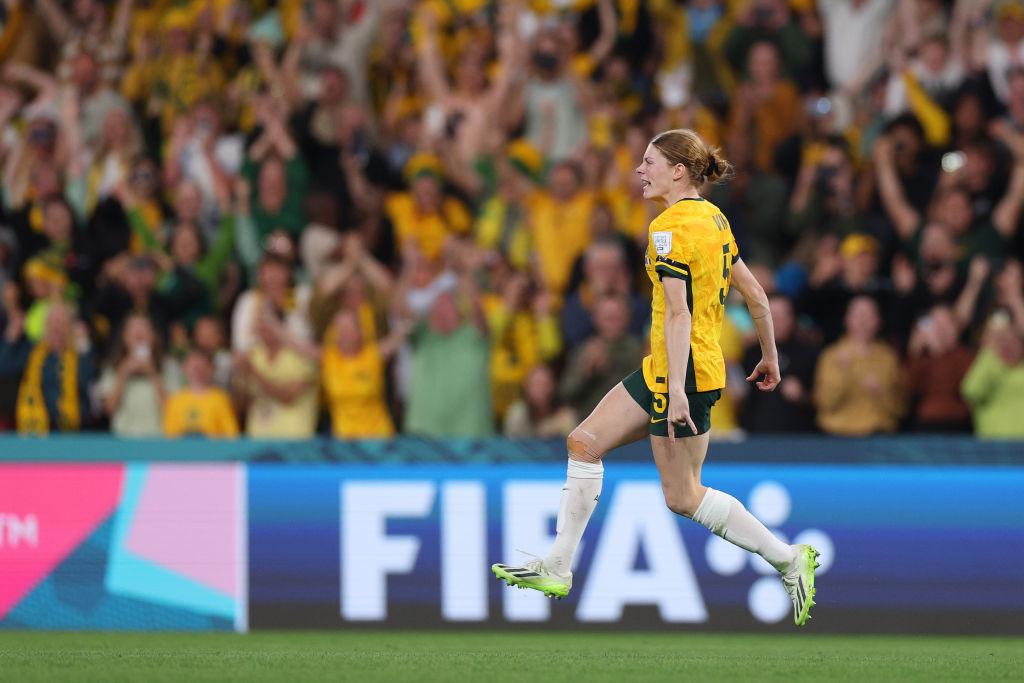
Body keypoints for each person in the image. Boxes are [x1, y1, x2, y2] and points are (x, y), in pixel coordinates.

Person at [491, 129, 820, 627]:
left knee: (684, 496)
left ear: (677, 171)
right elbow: (755, 295)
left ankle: (787, 558)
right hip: (670, 369)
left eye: (649, 162)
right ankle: (558, 566)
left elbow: (678, 315)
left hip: (680, 375)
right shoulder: (714, 219)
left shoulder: (667, 229)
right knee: (583, 443)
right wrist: (771, 355)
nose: (640, 171)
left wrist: (679, 392)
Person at [813, 295, 905, 435]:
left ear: (878, 321)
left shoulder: (888, 357)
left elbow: (901, 408)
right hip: (838, 436)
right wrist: (841, 374)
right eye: (857, 314)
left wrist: (881, 392)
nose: (862, 320)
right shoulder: (831, 356)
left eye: (868, 315)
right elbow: (824, 403)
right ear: (846, 319)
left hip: (878, 436)